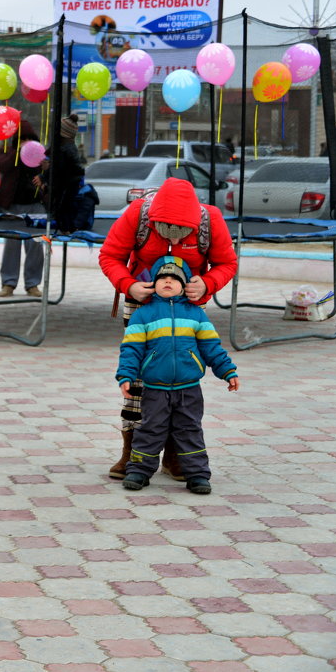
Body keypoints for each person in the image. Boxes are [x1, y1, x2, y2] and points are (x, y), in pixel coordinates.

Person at [98, 176, 237, 482]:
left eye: (180, 231)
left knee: (182, 378)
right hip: (142, 305)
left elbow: (227, 263)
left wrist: (208, 283)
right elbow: (109, 256)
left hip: (189, 308)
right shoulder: (137, 213)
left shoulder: (210, 219)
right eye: (164, 229)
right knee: (137, 377)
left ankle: (175, 454)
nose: (172, 235)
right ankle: (132, 450)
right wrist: (129, 285)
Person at [116, 256, 240, 495]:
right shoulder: (143, 315)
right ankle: (139, 470)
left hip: (189, 388)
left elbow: (211, 346)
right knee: (150, 428)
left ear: (185, 286)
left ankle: (197, 474)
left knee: (190, 429)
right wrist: (126, 375)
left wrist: (227, 371)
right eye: (163, 278)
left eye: (175, 278)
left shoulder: (196, 315)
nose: (168, 281)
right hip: (155, 387)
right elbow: (131, 348)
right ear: (154, 283)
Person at [0, 120, 45, 296]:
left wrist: (42, 176)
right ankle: (8, 283)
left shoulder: (39, 151)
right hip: (12, 205)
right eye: (21, 138)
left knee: (36, 245)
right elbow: (2, 166)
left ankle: (32, 284)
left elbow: (47, 170)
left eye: (28, 138)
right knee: (11, 245)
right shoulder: (7, 151)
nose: (25, 141)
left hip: (35, 205)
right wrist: (18, 152)